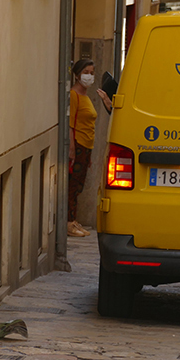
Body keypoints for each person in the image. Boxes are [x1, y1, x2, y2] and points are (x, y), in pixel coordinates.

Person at [68, 58, 112, 237]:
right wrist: (71, 148)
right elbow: (71, 124)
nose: (89, 76)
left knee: (79, 185)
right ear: (77, 75)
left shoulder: (86, 97)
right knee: (72, 186)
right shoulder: (74, 95)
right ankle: (69, 222)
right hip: (77, 145)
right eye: (86, 72)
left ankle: (73, 219)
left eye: (92, 73)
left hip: (86, 146)